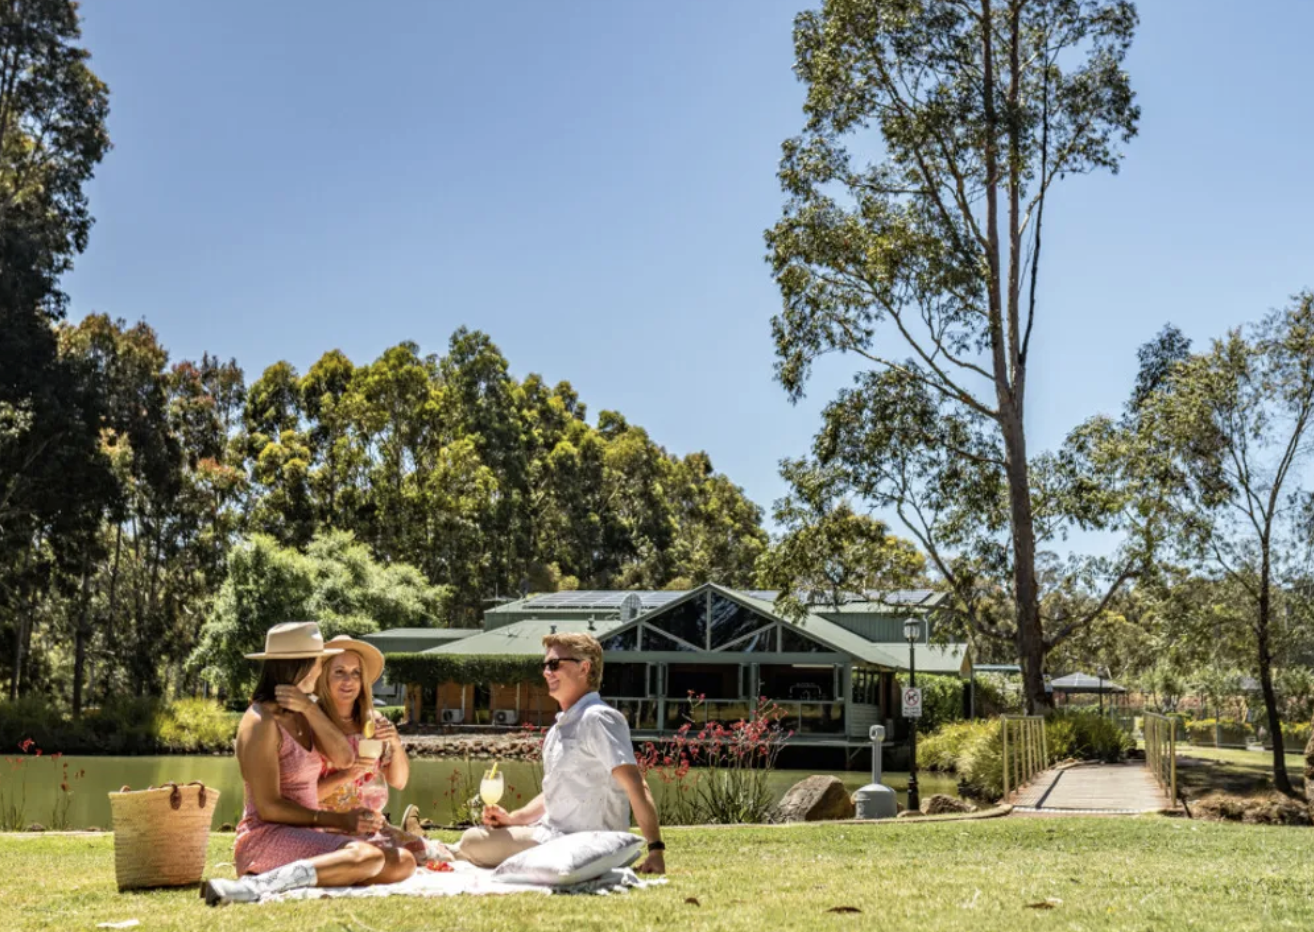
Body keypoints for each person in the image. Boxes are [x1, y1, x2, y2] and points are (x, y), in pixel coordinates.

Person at [202, 622, 417, 906]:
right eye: (318, 662)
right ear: (299, 665)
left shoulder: (303, 714)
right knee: (369, 857)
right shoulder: (260, 722)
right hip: (266, 837)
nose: (320, 669)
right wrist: (339, 820)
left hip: (306, 835)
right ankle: (256, 885)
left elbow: (345, 758)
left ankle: (313, 874)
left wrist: (309, 707)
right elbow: (268, 808)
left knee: (402, 863)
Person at [445, 631, 666, 873]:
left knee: (472, 840)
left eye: (554, 664)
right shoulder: (559, 729)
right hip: (554, 836)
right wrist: (513, 818)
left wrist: (655, 850)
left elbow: (636, 785)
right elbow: (555, 792)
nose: (546, 672)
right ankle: (430, 849)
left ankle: (431, 850)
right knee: (479, 838)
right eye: (545, 665)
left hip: (587, 845)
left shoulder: (598, 718)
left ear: (584, 668)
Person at [315, 634, 435, 858]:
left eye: (356, 673)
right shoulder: (312, 724)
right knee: (384, 860)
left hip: (373, 828)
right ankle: (410, 829)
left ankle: (412, 831)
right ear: (323, 677)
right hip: (327, 830)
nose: (348, 681)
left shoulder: (373, 722)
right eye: (339, 672)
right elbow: (303, 797)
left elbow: (398, 781)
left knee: (436, 855)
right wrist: (347, 774)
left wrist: (395, 742)